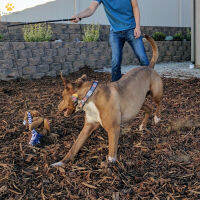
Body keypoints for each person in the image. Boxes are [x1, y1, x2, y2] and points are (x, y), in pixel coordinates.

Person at [72, 0, 149, 82]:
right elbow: (91, 9)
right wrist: (78, 15)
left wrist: (137, 27)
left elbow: (135, 7)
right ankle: (116, 87)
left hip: (131, 29)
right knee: (115, 61)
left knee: (143, 58)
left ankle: (149, 83)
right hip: (115, 32)